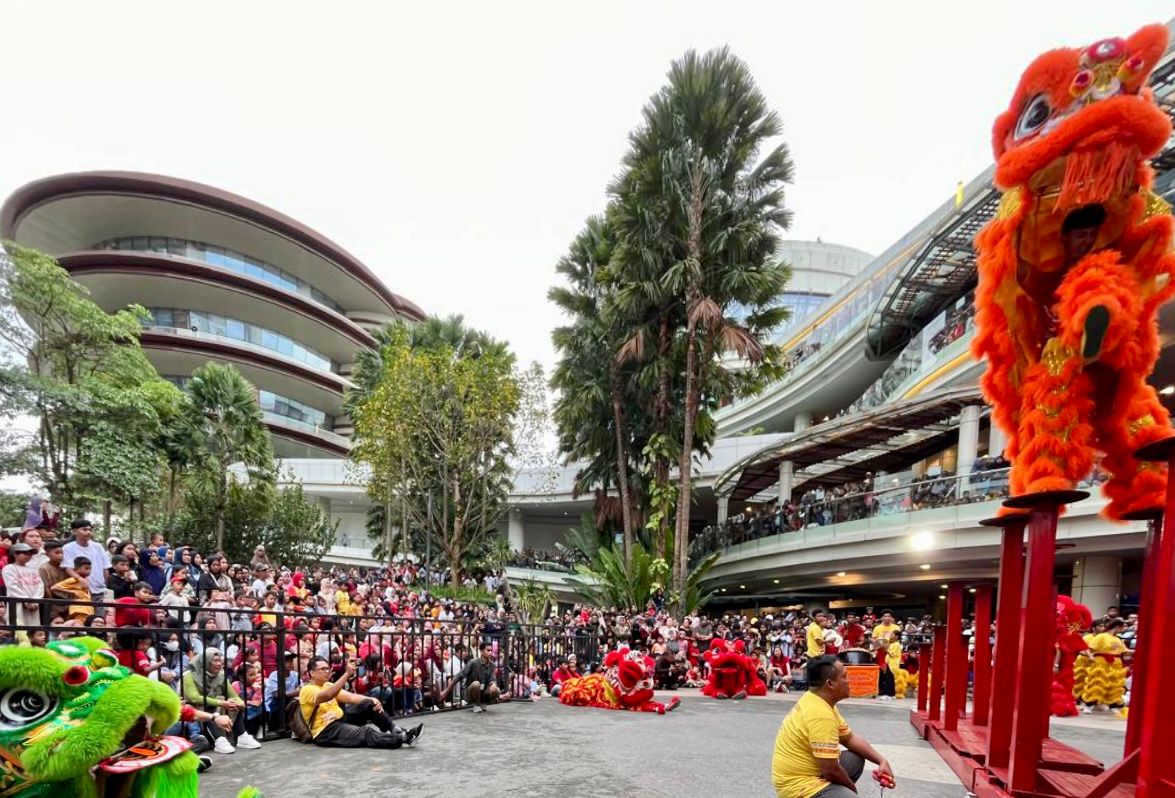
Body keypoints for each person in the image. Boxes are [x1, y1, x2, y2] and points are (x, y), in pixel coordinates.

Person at [772, 656, 895, 797]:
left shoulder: (819, 700)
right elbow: (829, 769)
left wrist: (881, 760)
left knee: (855, 758)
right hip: (798, 787)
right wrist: (851, 790)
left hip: (813, 772)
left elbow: (849, 738)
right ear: (830, 684)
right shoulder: (820, 715)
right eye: (844, 677)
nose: (848, 681)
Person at [299, 656, 422, 748]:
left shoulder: (328, 684)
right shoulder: (307, 689)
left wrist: (371, 699)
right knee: (365, 732)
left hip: (341, 719)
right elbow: (327, 695)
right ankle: (404, 738)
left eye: (327, 668)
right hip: (326, 730)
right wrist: (347, 674)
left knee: (368, 704)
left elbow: (351, 698)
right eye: (323, 669)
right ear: (311, 673)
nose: (327, 671)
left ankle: (396, 729)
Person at [180, 649, 261, 754]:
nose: (219, 664)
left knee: (232, 702)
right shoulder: (189, 676)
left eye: (220, 660)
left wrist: (239, 702)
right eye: (215, 661)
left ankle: (242, 736)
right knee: (220, 700)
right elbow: (194, 698)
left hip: (217, 710)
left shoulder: (221, 676)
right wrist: (220, 702)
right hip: (196, 712)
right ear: (206, 661)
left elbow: (233, 695)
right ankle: (219, 740)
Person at [439, 641, 501, 712]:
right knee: (476, 684)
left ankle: (483, 702)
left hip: (483, 691)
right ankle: (476, 704)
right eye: (488, 650)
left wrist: (493, 684)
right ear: (481, 651)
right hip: (470, 691)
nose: (490, 652)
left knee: (496, 690)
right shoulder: (473, 662)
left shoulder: (492, 665)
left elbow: (492, 679)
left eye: (491, 650)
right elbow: (459, 676)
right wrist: (446, 692)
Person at [62, 519, 110, 604]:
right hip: (80, 591)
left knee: (101, 616)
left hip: (100, 590)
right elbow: (68, 568)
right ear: (74, 531)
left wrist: (105, 585)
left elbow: (105, 568)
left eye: (90, 530)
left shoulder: (98, 547)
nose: (88, 532)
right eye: (84, 529)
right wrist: (80, 579)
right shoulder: (67, 548)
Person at [2, 542, 45, 630]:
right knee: (19, 628)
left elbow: (40, 586)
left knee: (34, 629)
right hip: (18, 602)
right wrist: (26, 600)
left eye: (30, 553)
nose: (28, 555)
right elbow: (12, 586)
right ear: (15, 554)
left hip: (33, 604)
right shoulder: (9, 568)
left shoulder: (33, 570)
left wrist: (35, 600)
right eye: (24, 553)